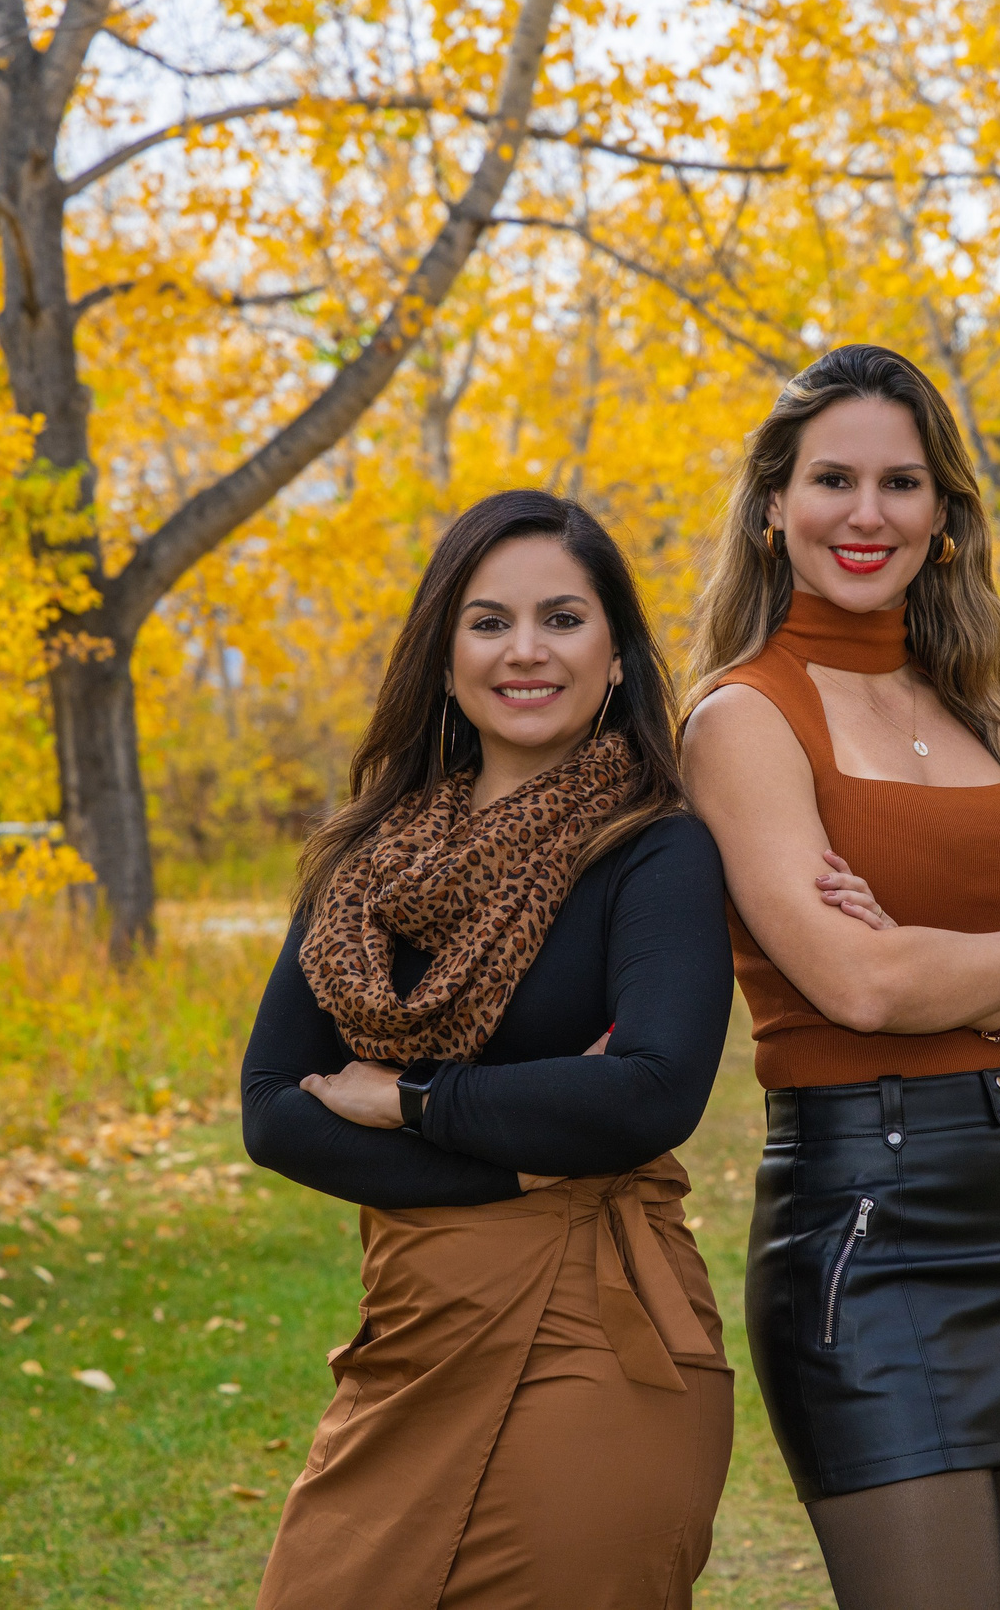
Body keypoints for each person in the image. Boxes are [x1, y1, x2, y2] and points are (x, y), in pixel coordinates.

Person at [681, 345, 1000, 1610]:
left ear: (942, 513)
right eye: (832, 479)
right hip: (867, 1228)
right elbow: (863, 990)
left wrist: (931, 964)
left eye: (900, 483)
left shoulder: (989, 715)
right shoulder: (742, 719)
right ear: (773, 505)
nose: (867, 513)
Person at [242, 489, 736, 1610]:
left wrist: (411, 1101)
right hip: (412, 1329)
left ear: (616, 655)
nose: (526, 650)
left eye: (562, 619)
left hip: (594, 1340)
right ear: (445, 655)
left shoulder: (654, 850)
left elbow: (652, 1093)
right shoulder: (364, 861)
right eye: (489, 621)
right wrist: (526, 1155)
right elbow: (275, 1113)